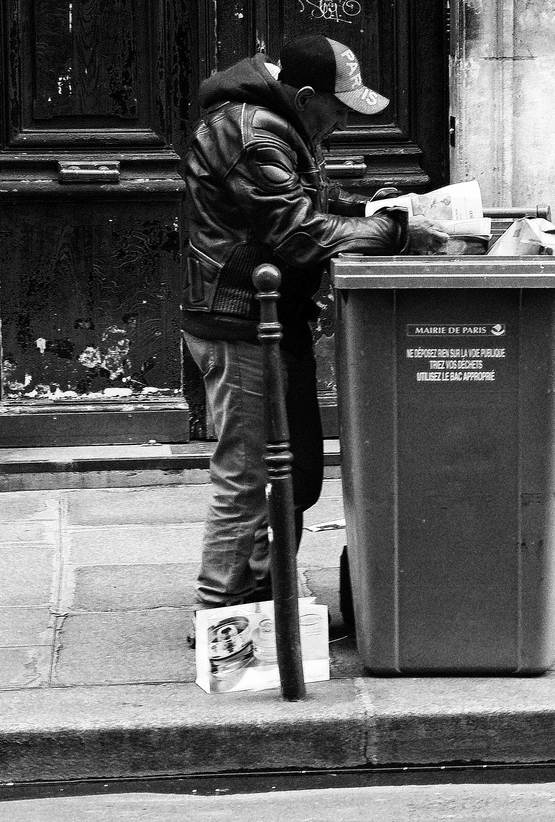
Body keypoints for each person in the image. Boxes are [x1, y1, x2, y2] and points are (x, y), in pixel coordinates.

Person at [182, 33, 447, 629]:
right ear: (305, 97)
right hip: (241, 322)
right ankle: (223, 614)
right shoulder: (252, 134)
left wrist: (368, 212)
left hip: (271, 318)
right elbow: (298, 234)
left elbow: (298, 209)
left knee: (291, 471)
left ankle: (260, 597)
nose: (344, 118)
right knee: (249, 472)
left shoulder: (279, 124)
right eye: (338, 106)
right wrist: (396, 235)